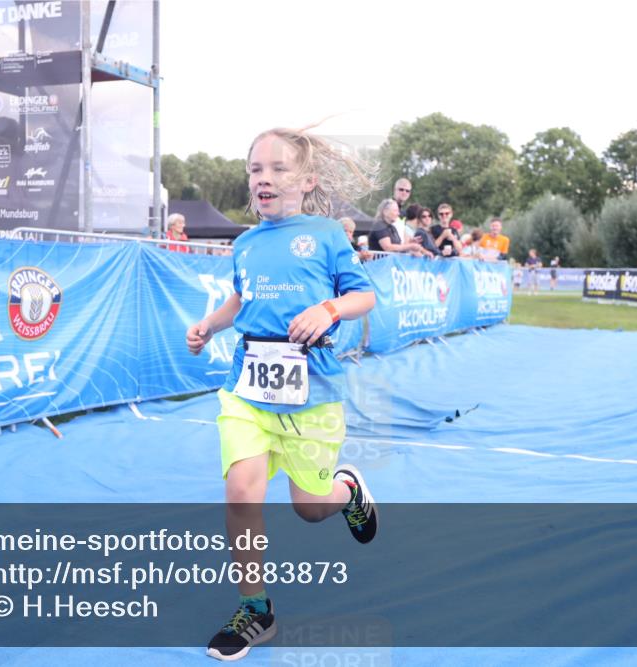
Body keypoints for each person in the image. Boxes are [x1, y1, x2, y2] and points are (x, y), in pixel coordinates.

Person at [186, 127, 379, 661]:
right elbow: (240, 300)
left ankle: (346, 494)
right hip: (247, 386)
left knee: (310, 509)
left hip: (311, 389)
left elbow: (365, 295)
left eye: (277, 169)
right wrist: (210, 326)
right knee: (241, 491)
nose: (263, 178)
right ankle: (256, 608)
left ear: (306, 180)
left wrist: (329, 309)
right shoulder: (245, 242)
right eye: (255, 169)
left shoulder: (323, 234)